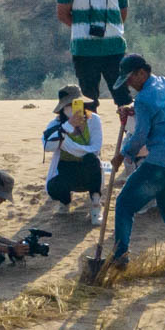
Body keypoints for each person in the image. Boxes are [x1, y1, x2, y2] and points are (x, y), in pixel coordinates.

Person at [108, 54, 165, 281]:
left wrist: (122, 155)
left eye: (130, 78)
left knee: (124, 204)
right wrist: (133, 109)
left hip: (158, 165)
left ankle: (120, 257)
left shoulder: (144, 99)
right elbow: (160, 110)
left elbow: (140, 137)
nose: (128, 84)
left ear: (142, 73)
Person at [43, 84, 106, 225]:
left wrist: (66, 144)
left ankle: (96, 205)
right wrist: (67, 126)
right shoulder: (56, 124)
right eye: (68, 105)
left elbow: (95, 148)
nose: (73, 108)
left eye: (76, 104)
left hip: (89, 171)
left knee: (92, 159)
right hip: (66, 170)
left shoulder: (93, 120)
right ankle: (65, 201)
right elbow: (48, 146)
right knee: (53, 187)